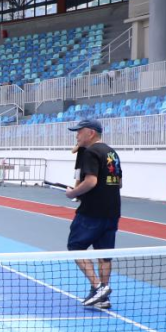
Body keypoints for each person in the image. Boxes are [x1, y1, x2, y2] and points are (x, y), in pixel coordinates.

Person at [64, 119, 122, 309]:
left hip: (92, 212)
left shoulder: (90, 152)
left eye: (79, 132)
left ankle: (98, 288)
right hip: (112, 212)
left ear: (91, 133)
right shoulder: (112, 153)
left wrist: (73, 193)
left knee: (75, 247)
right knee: (104, 255)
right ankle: (103, 297)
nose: (77, 135)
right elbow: (119, 183)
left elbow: (91, 181)